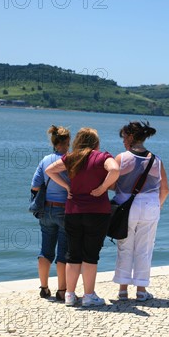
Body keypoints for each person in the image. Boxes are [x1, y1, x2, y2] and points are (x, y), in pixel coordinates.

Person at [45, 127, 119, 307]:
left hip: (73, 212)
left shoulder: (71, 158)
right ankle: (88, 296)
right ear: (96, 142)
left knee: (73, 254)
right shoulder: (102, 157)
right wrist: (102, 188)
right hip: (97, 212)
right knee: (91, 255)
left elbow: (49, 170)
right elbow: (115, 170)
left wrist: (67, 187)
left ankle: (69, 295)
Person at [112, 121, 169, 301]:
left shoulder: (122, 158)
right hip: (151, 205)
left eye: (123, 138)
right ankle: (141, 291)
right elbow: (165, 190)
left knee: (125, 246)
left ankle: (123, 290)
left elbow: (112, 184)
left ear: (129, 137)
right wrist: (157, 205)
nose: (123, 142)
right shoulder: (156, 160)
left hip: (127, 206)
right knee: (144, 248)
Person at [31, 125, 71, 301]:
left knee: (45, 250)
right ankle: (62, 290)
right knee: (63, 251)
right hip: (65, 210)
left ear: (54, 141)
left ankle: (44, 287)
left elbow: (35, 186)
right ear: (68, 141)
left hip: (46, 209)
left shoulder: (45, 160)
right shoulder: (70, 160)